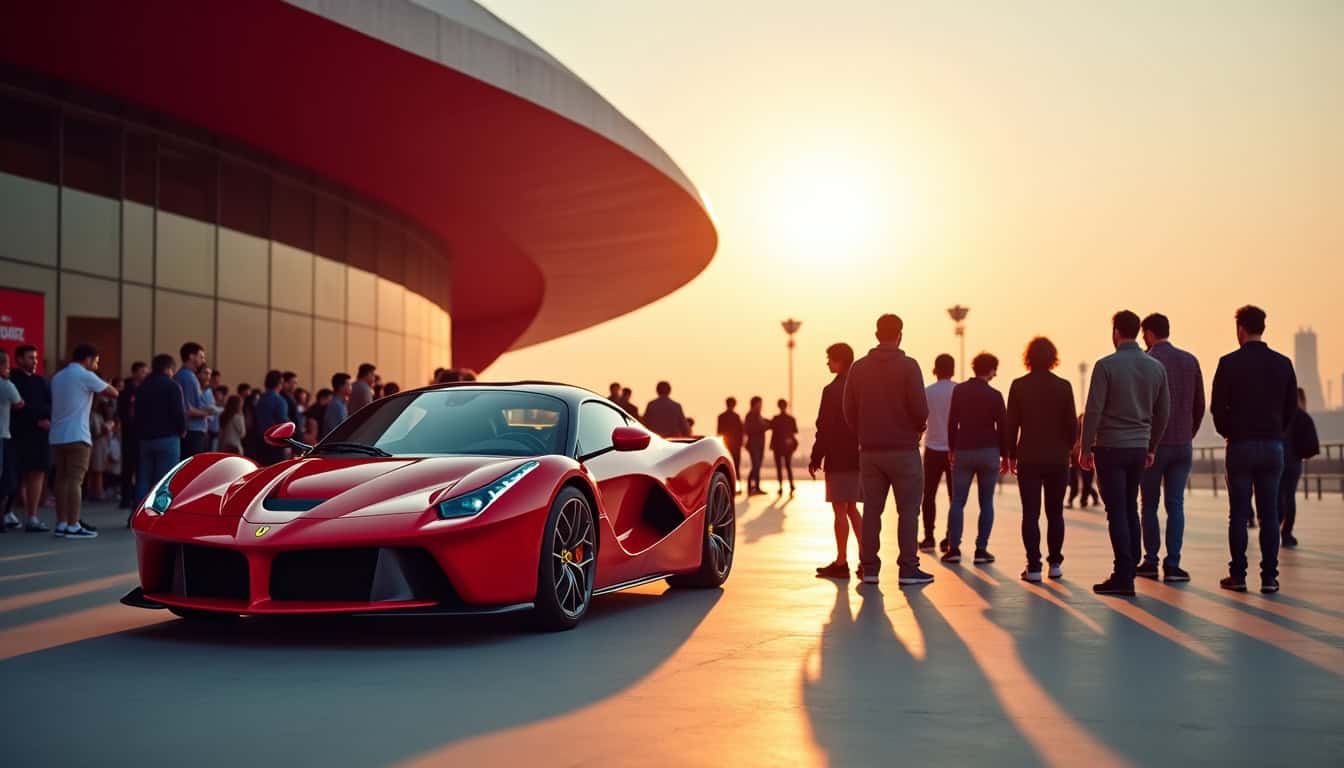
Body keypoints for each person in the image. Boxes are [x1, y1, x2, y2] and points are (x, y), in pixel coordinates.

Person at [1081, 310, 1170, 597]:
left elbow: (1093, 409)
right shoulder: (1155, 367)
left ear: (1116, 332)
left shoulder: (1106, 366)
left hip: (1110, 447)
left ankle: (1122, 574)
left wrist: (1085, 447)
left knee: (1116, 510)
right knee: (1131, 506)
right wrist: (1152, 445)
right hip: (1138, 447)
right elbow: (1163, 411)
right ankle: (1130, 567)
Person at [1210, 305, 1296, 594]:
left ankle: (1238, 575)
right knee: (1270, 513)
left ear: (1240, 329)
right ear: (1263, 327)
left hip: (1241, 446)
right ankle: (1270, 577)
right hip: (1273, 446)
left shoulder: (1228, 363)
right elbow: (1291, 408)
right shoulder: (1283, 364)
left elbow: (1217, 409)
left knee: (1238, 513)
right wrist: (1276, 431)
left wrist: (1229, 432)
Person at [843, 313, 933, 586]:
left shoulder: (859, 368)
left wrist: (863, 433)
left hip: (870, 451)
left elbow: (848, 409)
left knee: (871, 509)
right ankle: (908, 569)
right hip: (904, 451)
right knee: (908, 511)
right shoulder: (909, 367)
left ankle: (869, 568)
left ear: (876, 334)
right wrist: (918, 428)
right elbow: (920, 408)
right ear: (900, 334)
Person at [1138, 313, 1204, 583]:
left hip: (1154, 446)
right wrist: (1188, 433)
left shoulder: (1148, 362)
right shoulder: (1190, 361)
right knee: (1176, 504)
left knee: (1149, 505)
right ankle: (1174, 564)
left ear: (1149, 333)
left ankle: (1151, 560)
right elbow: (1200, 405)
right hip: (1182, 445)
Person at [1004, 337, 1077, 582]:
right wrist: (1067, 450)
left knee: (1031, 513)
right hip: (1057, 458)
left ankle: (1033, 565)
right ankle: (1055, 563)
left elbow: (1011, 424)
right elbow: (1071, 425)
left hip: (1029, 457)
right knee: (1055, 513)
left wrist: (1010, 455)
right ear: (1052, 358)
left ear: (1028, 358)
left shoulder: (1019, 386)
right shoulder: (1064, 386)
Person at [944, 352, 1008, 565]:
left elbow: (952, 422)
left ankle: (954, 549)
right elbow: (1003, 428)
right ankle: (981, 550)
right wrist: (1005, 455)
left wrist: (951, 448)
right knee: (986, 502)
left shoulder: (959, 390)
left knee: (958, 501)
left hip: (964, 449)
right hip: (989, 452)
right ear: (990, 370)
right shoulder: (995, 395)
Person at [49, 344, 118, 539]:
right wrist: (99, 382)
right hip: (77, 435)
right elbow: (113, 392)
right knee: (75, 481)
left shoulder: (58, 376)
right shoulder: (85, 375)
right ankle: (73, 525)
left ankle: (62, 522)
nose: (96, 365)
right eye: (96, 361)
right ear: (87, 359)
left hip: (57, 435)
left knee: (61, 479)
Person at [810, 343, 862, 579]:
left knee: (840, 509)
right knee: (852, 508)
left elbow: (824, 427)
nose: (828, 363)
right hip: (859, 456)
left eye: (830, 359)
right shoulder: (863, 387)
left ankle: (841, 562)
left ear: (840, 361)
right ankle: (866, 559)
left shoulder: (831, 390)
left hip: (838, 457)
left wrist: (816, 456)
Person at [9, 344, 52, 532]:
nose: (34, 361)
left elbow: (50, 403)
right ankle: (9, 511)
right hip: (19, 434)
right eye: (29, 358)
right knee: (17, 476)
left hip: (40, 436)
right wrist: (36, 421)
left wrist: (47, 420)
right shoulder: (12, 380)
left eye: (35, 358)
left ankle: (32, 516)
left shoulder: (41, 380)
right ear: (18, 359)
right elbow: (17, 407)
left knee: (37, 474)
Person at [134, 354, 186, 504]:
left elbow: (137, 413)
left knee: (143, 478)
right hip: (168, 437)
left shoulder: (142, 387)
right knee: (164, 480)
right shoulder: (172, 386)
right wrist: (182, 429)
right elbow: (178, 412)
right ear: (169, 368)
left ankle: (139, 513)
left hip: (145, 438)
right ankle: (158, 515)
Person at [1279, 387, 1319, 548]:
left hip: (1274, 460)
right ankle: (1287, 534)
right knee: (1289, 497)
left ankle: (1273, 528)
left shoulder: (1277, 414)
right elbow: (1311, 445)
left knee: (1274, 496)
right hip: (1293, 463)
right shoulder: (1303, 417)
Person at [924, 354, 956, 552]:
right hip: (954, 450)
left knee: (929, 495)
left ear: (935, 369)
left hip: (932, 448)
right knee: (955, 497)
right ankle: (950, 537)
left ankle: (929, 536)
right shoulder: (958, 390)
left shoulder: (927, 392)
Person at [174, 342, 213, 458]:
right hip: (193, 431)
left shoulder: (183, 375)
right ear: (191, 356)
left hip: (191, 431)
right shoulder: (188, 377)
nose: (203, 360)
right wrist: (209, 412)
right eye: (201, 356)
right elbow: (188, 409)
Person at [0, 349, 24, 533]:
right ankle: (3, 516)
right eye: (7, 365)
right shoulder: (6, 385)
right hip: (3, 436)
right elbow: (19, 404)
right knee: (6, 480)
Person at [117, 361, 147, 508]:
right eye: (142, 371)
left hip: (141, 433)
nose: (145, 374)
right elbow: (122, 412)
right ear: (134, 372)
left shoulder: (145, 389)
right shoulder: (127, 391)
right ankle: (125, 497)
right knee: (128, 466)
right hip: (129, 432)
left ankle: (136, 496)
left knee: (140, 466)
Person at [254, 370, 290, 466]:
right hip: (275, 443)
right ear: (280, 384)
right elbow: (283, 423)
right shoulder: (280, 401)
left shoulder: (260, 400)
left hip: (260, 441)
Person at [1068, 413, 1101, 509]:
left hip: (1086, 457)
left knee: (1086, 481)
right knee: (1073, 481)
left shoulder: (1090, 430)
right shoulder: (1075, 428)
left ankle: (1085, 500)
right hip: (1075, 458)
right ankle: (1073, 499)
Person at [744, 397, 771, 495]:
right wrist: (764, 426)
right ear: (754, 404)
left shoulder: (759, 416)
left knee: (758, 465)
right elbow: (750, 429)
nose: (761, 406)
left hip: (760, 444)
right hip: (753, 444)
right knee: (755, 465)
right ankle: (750, 486)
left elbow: (767, 423)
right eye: (759, 404)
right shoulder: (750, 416)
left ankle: (757, 487)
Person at [771, 399, 799, 495]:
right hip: (787, 446)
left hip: (777, 446)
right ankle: (791, 485)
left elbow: (772, 430)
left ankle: (781, 487)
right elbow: (794, 432)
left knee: (779, 467)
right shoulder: (791, 419)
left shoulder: (775, 418)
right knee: (788, 466)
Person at [87, 396, 113, 501]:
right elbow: (96, 432)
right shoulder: (94, 415)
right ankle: (98, 492)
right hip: (97, 445)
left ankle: (94, 491)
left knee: (96, 470)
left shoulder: (98, 416)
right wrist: (105, 430)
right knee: (97, 470)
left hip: (99, 444)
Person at [716, 397, 744, 486]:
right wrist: (740, 443)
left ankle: (729, 485)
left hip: (726, 444)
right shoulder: (736, 417)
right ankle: (737, 486)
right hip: (735, 445)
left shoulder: (721, 416)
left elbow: (719, 432)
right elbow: (741, 431)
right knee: (736, 466)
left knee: (726, 466)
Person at [323, 373, 353, 438]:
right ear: (341, 387)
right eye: (349, 384)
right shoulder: (335, 405)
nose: (351, 387)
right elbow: (334, 430)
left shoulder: (342, 403)